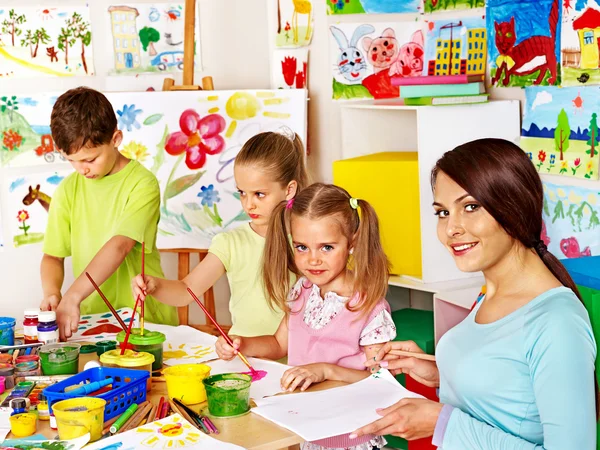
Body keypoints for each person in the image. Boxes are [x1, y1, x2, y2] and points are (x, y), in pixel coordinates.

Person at [351, 138, 597, 449]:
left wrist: (442, 423)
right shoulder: (489, 295)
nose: (451, 228)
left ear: (515, 205)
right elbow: (513, 395)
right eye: (442, 212)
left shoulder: (557, 322)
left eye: (471, 207)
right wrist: (445, 374)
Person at [216, 183, 397, 450]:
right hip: (306, 431)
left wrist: (325, 370)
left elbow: (381, 383)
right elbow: (279, 344)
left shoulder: (369, 307)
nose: (312, 260)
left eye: (326, 247)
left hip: (349, 437)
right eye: (302, 247)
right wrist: (242, 343)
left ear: (352, 243)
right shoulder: (302, 290)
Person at [132, 130, 309, 337]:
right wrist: (155, 286)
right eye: (242, 193)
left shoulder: (307, 241)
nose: (248, 204)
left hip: (298, 360)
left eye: (259, 194)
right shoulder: (230, 243)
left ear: (289, 190)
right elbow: (185, 290)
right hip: (246, 356)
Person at [41, 87, 177, 340]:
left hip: (143, 318)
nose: (82, 169)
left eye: (90, 159)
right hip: (92, 321)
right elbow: (52, 256)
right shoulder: (68, 189)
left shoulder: (142, 183)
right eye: (72, 160)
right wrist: (53, 292)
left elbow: (120, 246)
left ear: (115, 139)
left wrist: (72, 295)